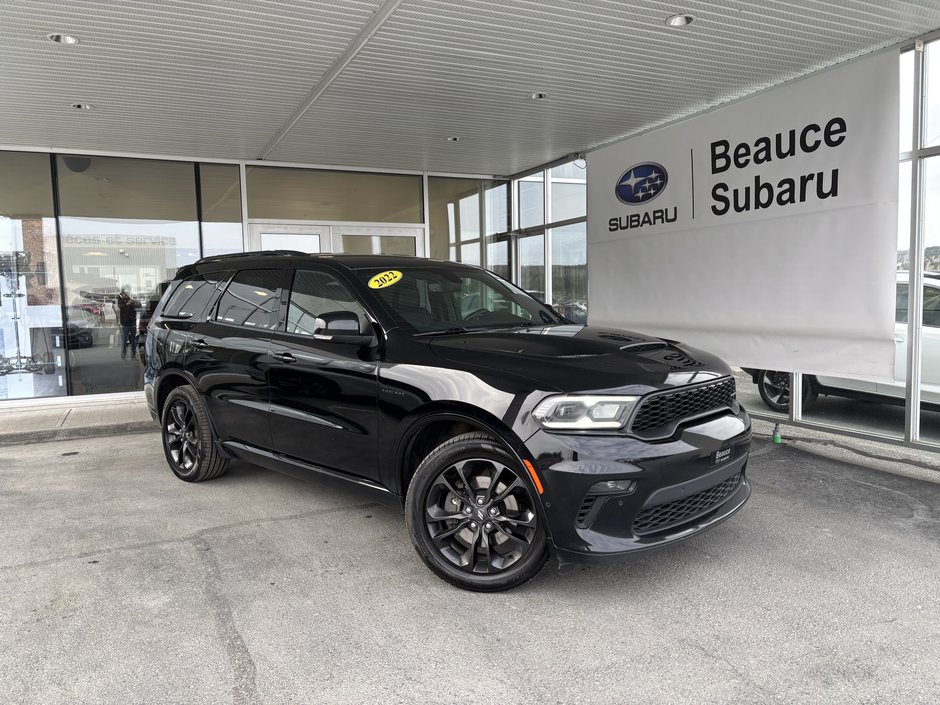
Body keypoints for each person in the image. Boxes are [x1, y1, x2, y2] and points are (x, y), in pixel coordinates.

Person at [115, 289, 140, 360]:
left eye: (126, 294)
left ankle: (133, 355)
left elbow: (139, 305)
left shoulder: (130, 300)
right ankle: (124, 355)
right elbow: (120, 307)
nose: (125, 295)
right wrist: (127, 303)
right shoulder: (120, 301)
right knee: (124, 339)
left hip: (132, 322)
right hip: (125, 323)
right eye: (124, 294)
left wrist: (134, 302)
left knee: (133, 339)